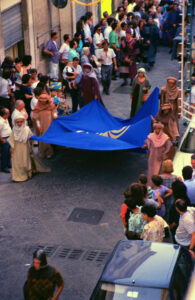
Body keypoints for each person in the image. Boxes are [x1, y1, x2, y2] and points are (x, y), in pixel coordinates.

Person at [8, 114, 50, 182]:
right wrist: (12, 148)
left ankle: (28, 174)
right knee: (18, 163)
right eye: (18, 122)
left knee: (25, 162)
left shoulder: (27, 129)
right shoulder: (14, 130)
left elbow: (31, 138)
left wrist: (29, 139)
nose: (19, 123)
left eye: (21, 122)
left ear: (23, 122)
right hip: (17, 149)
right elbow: (11, 139)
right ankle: (17, 177)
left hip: (25, 148)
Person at [32, 88, 57, 159]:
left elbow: (54, 110)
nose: (43, 103)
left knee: (49, 137)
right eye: (41, 101)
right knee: (43, 137)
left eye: (44, 101)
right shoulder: (38, 107)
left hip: (50, 123)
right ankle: (43, 152)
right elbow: (35, 116)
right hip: (41, 125)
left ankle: (50, 152)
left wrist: (55, 114)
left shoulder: (50, 105)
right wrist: (38, 125)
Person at [0, 108, 11, 173]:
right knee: (4, 153)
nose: (9, 114)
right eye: (8, 113)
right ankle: (4, 167)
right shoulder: (0, 122)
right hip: (4, 138)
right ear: (5, 114)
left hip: (8, 137)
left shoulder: (6, 119)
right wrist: (2, 140)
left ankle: (8, 164)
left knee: (8, 152)